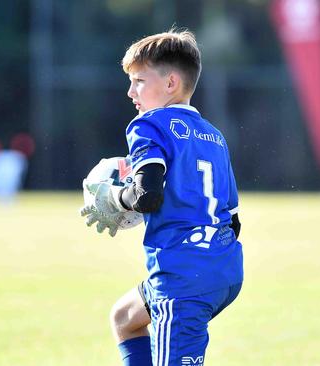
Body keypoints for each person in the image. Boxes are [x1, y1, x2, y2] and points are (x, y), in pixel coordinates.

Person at [80, 29, 243, 366]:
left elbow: (147, 195)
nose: (130, 92)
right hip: (226, 269)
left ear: (170, 84)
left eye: (139, 81)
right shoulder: (214, 137)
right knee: (126, 318)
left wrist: (113, 198)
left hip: (182, 278)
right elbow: (234, 219)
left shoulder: (148, 125)